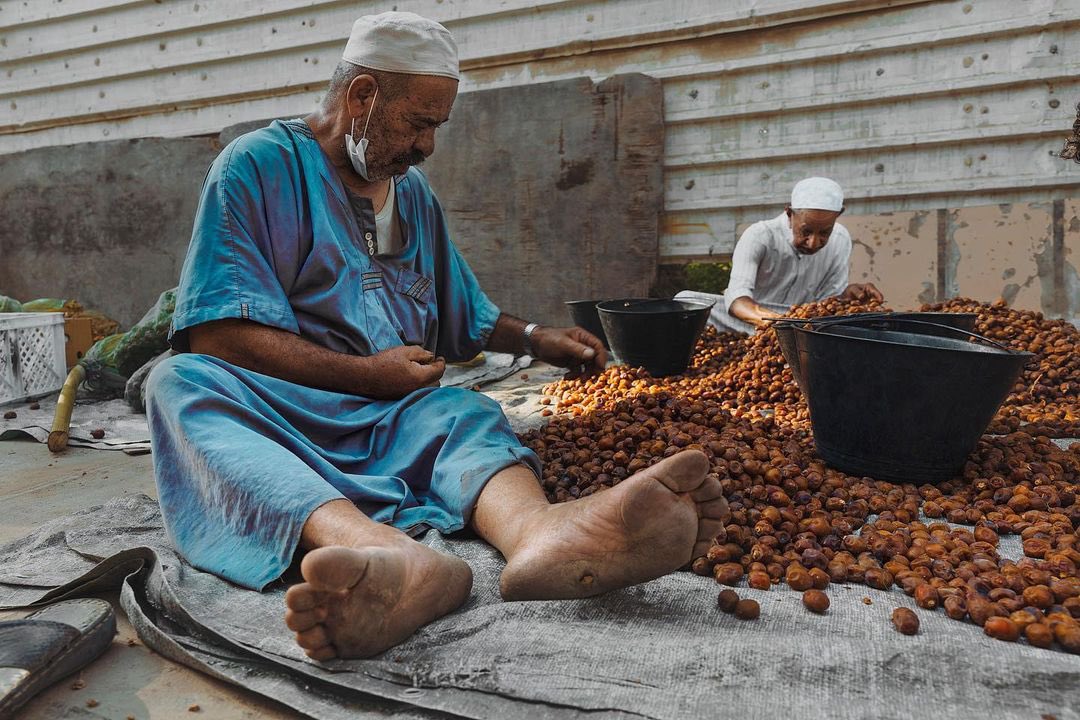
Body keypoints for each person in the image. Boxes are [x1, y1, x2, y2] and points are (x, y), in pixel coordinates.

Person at [145, 11, 728, 661]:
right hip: (282, 406)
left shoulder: (412, 194)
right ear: (362, 96)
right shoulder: (257, 167)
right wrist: (366, 375)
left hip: (393, 414)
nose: (426, 146)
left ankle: (540, 535)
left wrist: (536, 337)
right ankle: (382, 554)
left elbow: (461, 314)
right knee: (177, 383)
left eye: (436, 128)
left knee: (464, 409)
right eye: (418, 123)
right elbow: (218, 334)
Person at [676, 177, 883, 333]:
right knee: (685, 301)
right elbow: (737, 300)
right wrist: (775, 323)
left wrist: (846, 296)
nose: (813, 242)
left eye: (824, 233)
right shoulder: (760, 236)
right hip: (753, 317)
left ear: (837, 217)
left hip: (804, 324)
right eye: (806, 231)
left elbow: (827, 306)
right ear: (789, 213)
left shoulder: (841, 239)